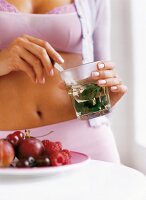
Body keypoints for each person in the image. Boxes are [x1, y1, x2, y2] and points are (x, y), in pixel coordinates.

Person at [0, 0, 127, 162]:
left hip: (85, 137)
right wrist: (2, 60)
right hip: (6, 146)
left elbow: (100, 70)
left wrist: (105, 98)